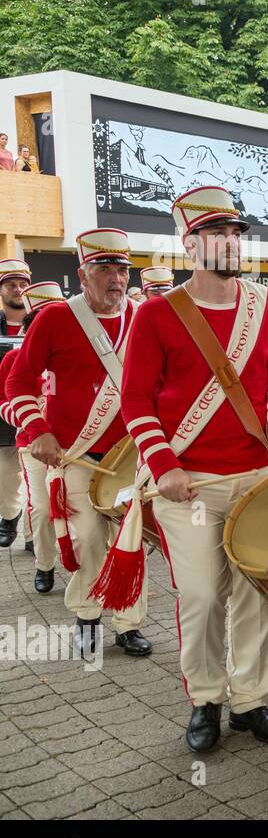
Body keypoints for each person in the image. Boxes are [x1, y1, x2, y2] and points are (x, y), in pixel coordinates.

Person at [120, 186, 268, 753]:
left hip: (254, 480)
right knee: (199, 595)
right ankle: (205, 698)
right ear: (190, 244)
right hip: (188, 484)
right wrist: (164, 464)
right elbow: (136, 401)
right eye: (215, 234)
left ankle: (250, 700)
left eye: (234, 233)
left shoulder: (266, 306)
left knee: (254, 596)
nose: (229, 242)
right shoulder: (156, 313)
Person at [6, 231, 152, 657]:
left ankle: (128, 621)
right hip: (76, 451)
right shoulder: (54, 319)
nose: (116, 279)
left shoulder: (142, 318)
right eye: (104, 269)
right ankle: (88, 614)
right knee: (88, 536)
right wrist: (38, 430)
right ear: (82, 275)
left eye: (122, 269)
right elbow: (19, 380)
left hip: (129, 454)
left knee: (129, 540)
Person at [0, 281, 65, 594]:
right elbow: (3, 400)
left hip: (74, 444)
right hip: (33, 445)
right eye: (40, 320)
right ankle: (45, 564)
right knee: (41, 507)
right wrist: (28, 418)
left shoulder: (73, 351)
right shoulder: (14, 359)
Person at [0, 259, 31, 549]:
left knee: (39, 474)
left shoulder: (45, 317)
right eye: (11, 284)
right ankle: (10, 516)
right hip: (3, 409)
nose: (18, 290)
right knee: (6, 471)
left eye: (23, 284)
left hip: (40, 408)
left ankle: (37, 534)